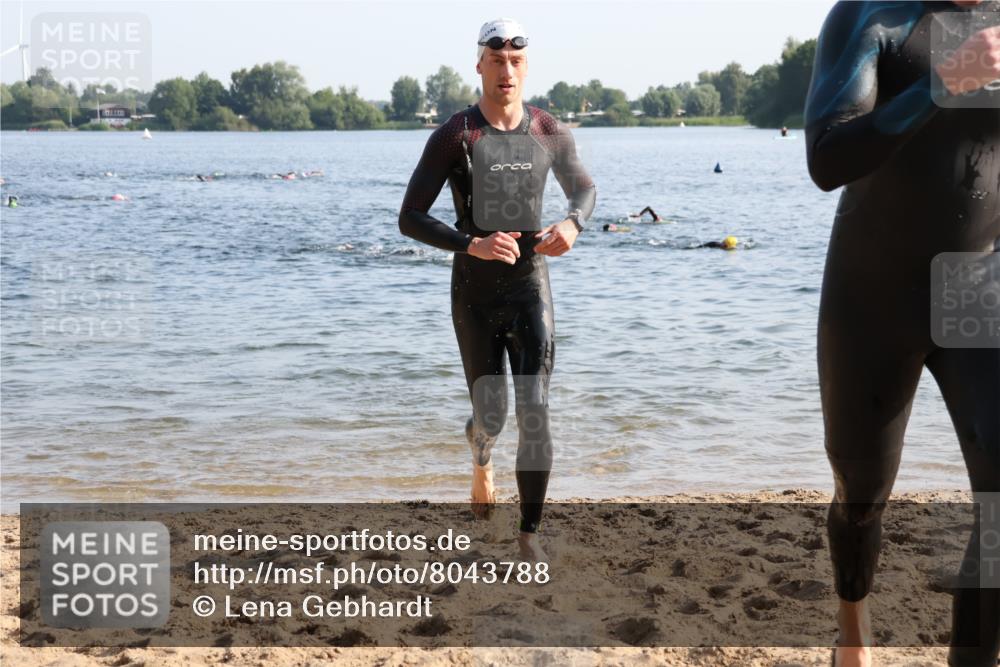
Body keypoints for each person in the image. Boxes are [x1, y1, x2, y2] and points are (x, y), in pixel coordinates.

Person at [805, 3, 1000, 666]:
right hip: (873, 294)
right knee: (860, 500)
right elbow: (828, 155)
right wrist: (943, 83)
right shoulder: (873, 17)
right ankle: (853, 634)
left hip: (977, 284)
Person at [399, 17, 596, 561]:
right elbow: (410, 217)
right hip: (475, 295)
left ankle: (529, 536)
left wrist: (573, 223)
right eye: (496, 59)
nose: (506, 70)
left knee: (535, 408)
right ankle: (481, 457)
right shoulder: (455, 135)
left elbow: (583, 188)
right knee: (493, 415)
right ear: (480, 65)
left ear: (525, 68)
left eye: (515, 61)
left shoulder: (548, 130)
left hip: (531, 288)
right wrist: (471, 244)